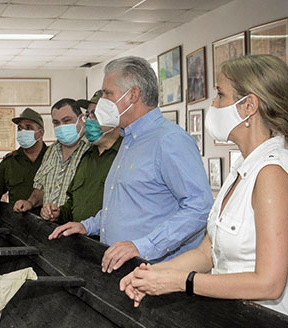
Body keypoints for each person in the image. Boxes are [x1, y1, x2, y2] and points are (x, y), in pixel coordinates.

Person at [120, 55, 288, 318]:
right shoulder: (243, 168)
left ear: (248, 105)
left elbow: (270, 284)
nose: (214, 104)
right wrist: (151, 274)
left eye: (220, 95)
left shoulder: (271, 174)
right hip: (229, 318)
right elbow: (207, 253)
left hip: (264, 325)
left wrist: (180, 282)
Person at [49, 56, 212, 273]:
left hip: (156, 274)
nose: (103, 101)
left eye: (108, 94)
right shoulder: (129, 140)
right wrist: (87, 226)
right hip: (123, 269)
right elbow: (124, 205)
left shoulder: (169, 140)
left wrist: (144, 246)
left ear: (133, 95)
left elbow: (199, 207)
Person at [41, 91, 123, 225]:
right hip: (80, 241)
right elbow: (73, 203)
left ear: (114, 117)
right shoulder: (87, 157)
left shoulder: (125, 155)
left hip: (111, 243)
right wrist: (59, 213)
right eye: (88, 115)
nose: (89, 120)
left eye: (95, 115)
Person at [14, 98, 90, 214]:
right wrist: (29, 203)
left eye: (66, 120)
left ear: (81, 119)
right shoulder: (51, 151)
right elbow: (40, 190)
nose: (61, 126)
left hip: (80, 227)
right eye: (56, 123)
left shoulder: (92, 150)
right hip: (50, 227)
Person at [0, 108, 47, 206]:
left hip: (51, 219)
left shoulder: (53, 158)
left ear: (41, 133)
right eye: (20, 128)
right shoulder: (9, 163)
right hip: (17, 220)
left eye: (28, 127)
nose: (23, 131)